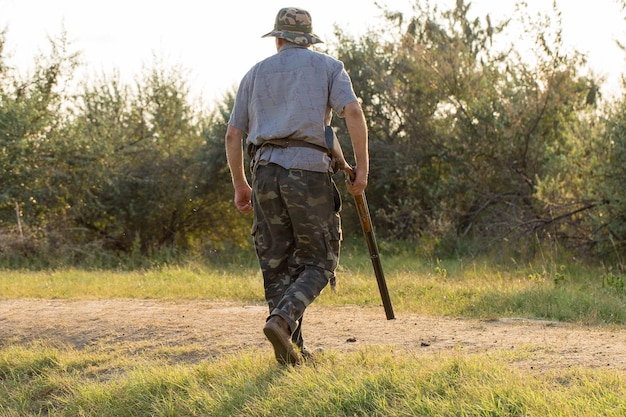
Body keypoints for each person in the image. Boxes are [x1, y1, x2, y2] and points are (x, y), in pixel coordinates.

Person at [225, 6, 369, 366]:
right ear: (307, 38)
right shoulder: (328, 66)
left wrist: (241, 185)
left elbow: (232, 134)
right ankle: (282, 321)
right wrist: (362, 168)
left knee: (277, 263)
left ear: (277, 39)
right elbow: (351, 112)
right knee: (319, 261)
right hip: (308, 174)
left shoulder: (255, 74)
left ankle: (293, 354)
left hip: (264, 174)